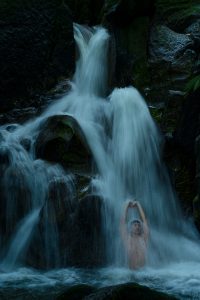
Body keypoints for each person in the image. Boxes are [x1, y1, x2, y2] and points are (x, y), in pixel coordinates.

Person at [120, 200, 149, 269]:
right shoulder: (127, 238)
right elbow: (122, 221)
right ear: (130, 228)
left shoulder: (143, 238)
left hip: (144, 273)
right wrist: (126, 206)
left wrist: (138, 205)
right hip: (131, 273)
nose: (137, 227)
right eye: (135, 225)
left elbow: (144, 220)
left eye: (139, 225)